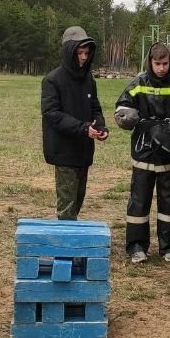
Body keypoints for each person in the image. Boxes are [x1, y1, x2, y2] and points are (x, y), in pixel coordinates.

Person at [113, 42, 170, 263]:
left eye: (165, 63)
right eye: (157, 63)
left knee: (169, 200)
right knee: (139, 200)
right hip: (143, 149)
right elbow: (122, 105)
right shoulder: (138, 83)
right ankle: (136, 246)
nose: (161, 68)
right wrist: (126, 116)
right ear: (150, 62)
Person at [41, 26, 108, 220]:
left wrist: (100, 127)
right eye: (79, 52)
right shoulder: (52, 80)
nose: (84, 57)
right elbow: (51, 114)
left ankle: (71, 239)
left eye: (87, 53)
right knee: (67, 207)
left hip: (84, 151)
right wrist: (83, 128)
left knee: (78, 199)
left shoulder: (89, 80)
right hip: (63, 151)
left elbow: (95, 108)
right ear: (69, 52)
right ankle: (64, 249)